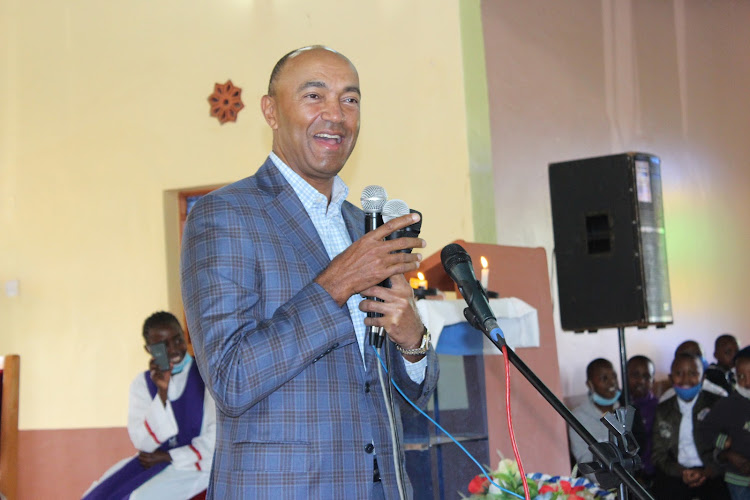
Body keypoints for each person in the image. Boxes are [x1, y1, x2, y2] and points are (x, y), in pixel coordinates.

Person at [180, 46, 439, 499]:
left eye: (350, 99)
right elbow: (231, 377)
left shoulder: (364, 228)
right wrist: (336, 284)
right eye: (314, 96)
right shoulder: (224, 216)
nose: (335, 115)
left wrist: (412, 340)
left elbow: (397, 394)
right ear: (271, 110)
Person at [82, 311, 215, 499]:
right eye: (163, 346)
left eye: (178, 340)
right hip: (154, 462)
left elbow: (216, 437)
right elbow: (142, 441)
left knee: (139, 497)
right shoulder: (142, 383)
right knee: (96, 495)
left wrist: (170, 457)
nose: (174, 349)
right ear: (149, 349)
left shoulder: (205, 377)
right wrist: (161, 392)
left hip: (195, 465)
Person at [651, 352, 729, 500]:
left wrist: (707, 472)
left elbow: (727, 447)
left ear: (703, 378)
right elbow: (658, 454)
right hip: (676, 471)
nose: (686, 379)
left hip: (711, 471)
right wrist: (682, 472)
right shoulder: (663, 410)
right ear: (670, 378)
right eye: (679, 373)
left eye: (693, 373)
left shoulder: (717, 405)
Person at [699, 346, 750, 500]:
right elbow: (704, 430)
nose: (747, 382)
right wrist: (724, 446)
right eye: (741, 376)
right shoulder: (728, 404)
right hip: (738, 478)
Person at [568, 359, 626, 474]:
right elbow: (585, 460)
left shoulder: (625, 410)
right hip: (599, 485)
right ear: (590, 384)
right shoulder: (579, 418)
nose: (612, 382)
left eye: (614, 376)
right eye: (604, 378)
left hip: (630, 482)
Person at [626, 355, 658, 486]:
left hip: (654, 473)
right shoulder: (618, 406)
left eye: (646, 376)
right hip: (628, 473)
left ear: (653, 381)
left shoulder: (658, 407)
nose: (640, 381)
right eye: (635, 375)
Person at [660, 340, 728, 402]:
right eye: (683, 357)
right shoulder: (666, 399)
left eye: (697, 355)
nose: (686, 379)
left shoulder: (719, 396)